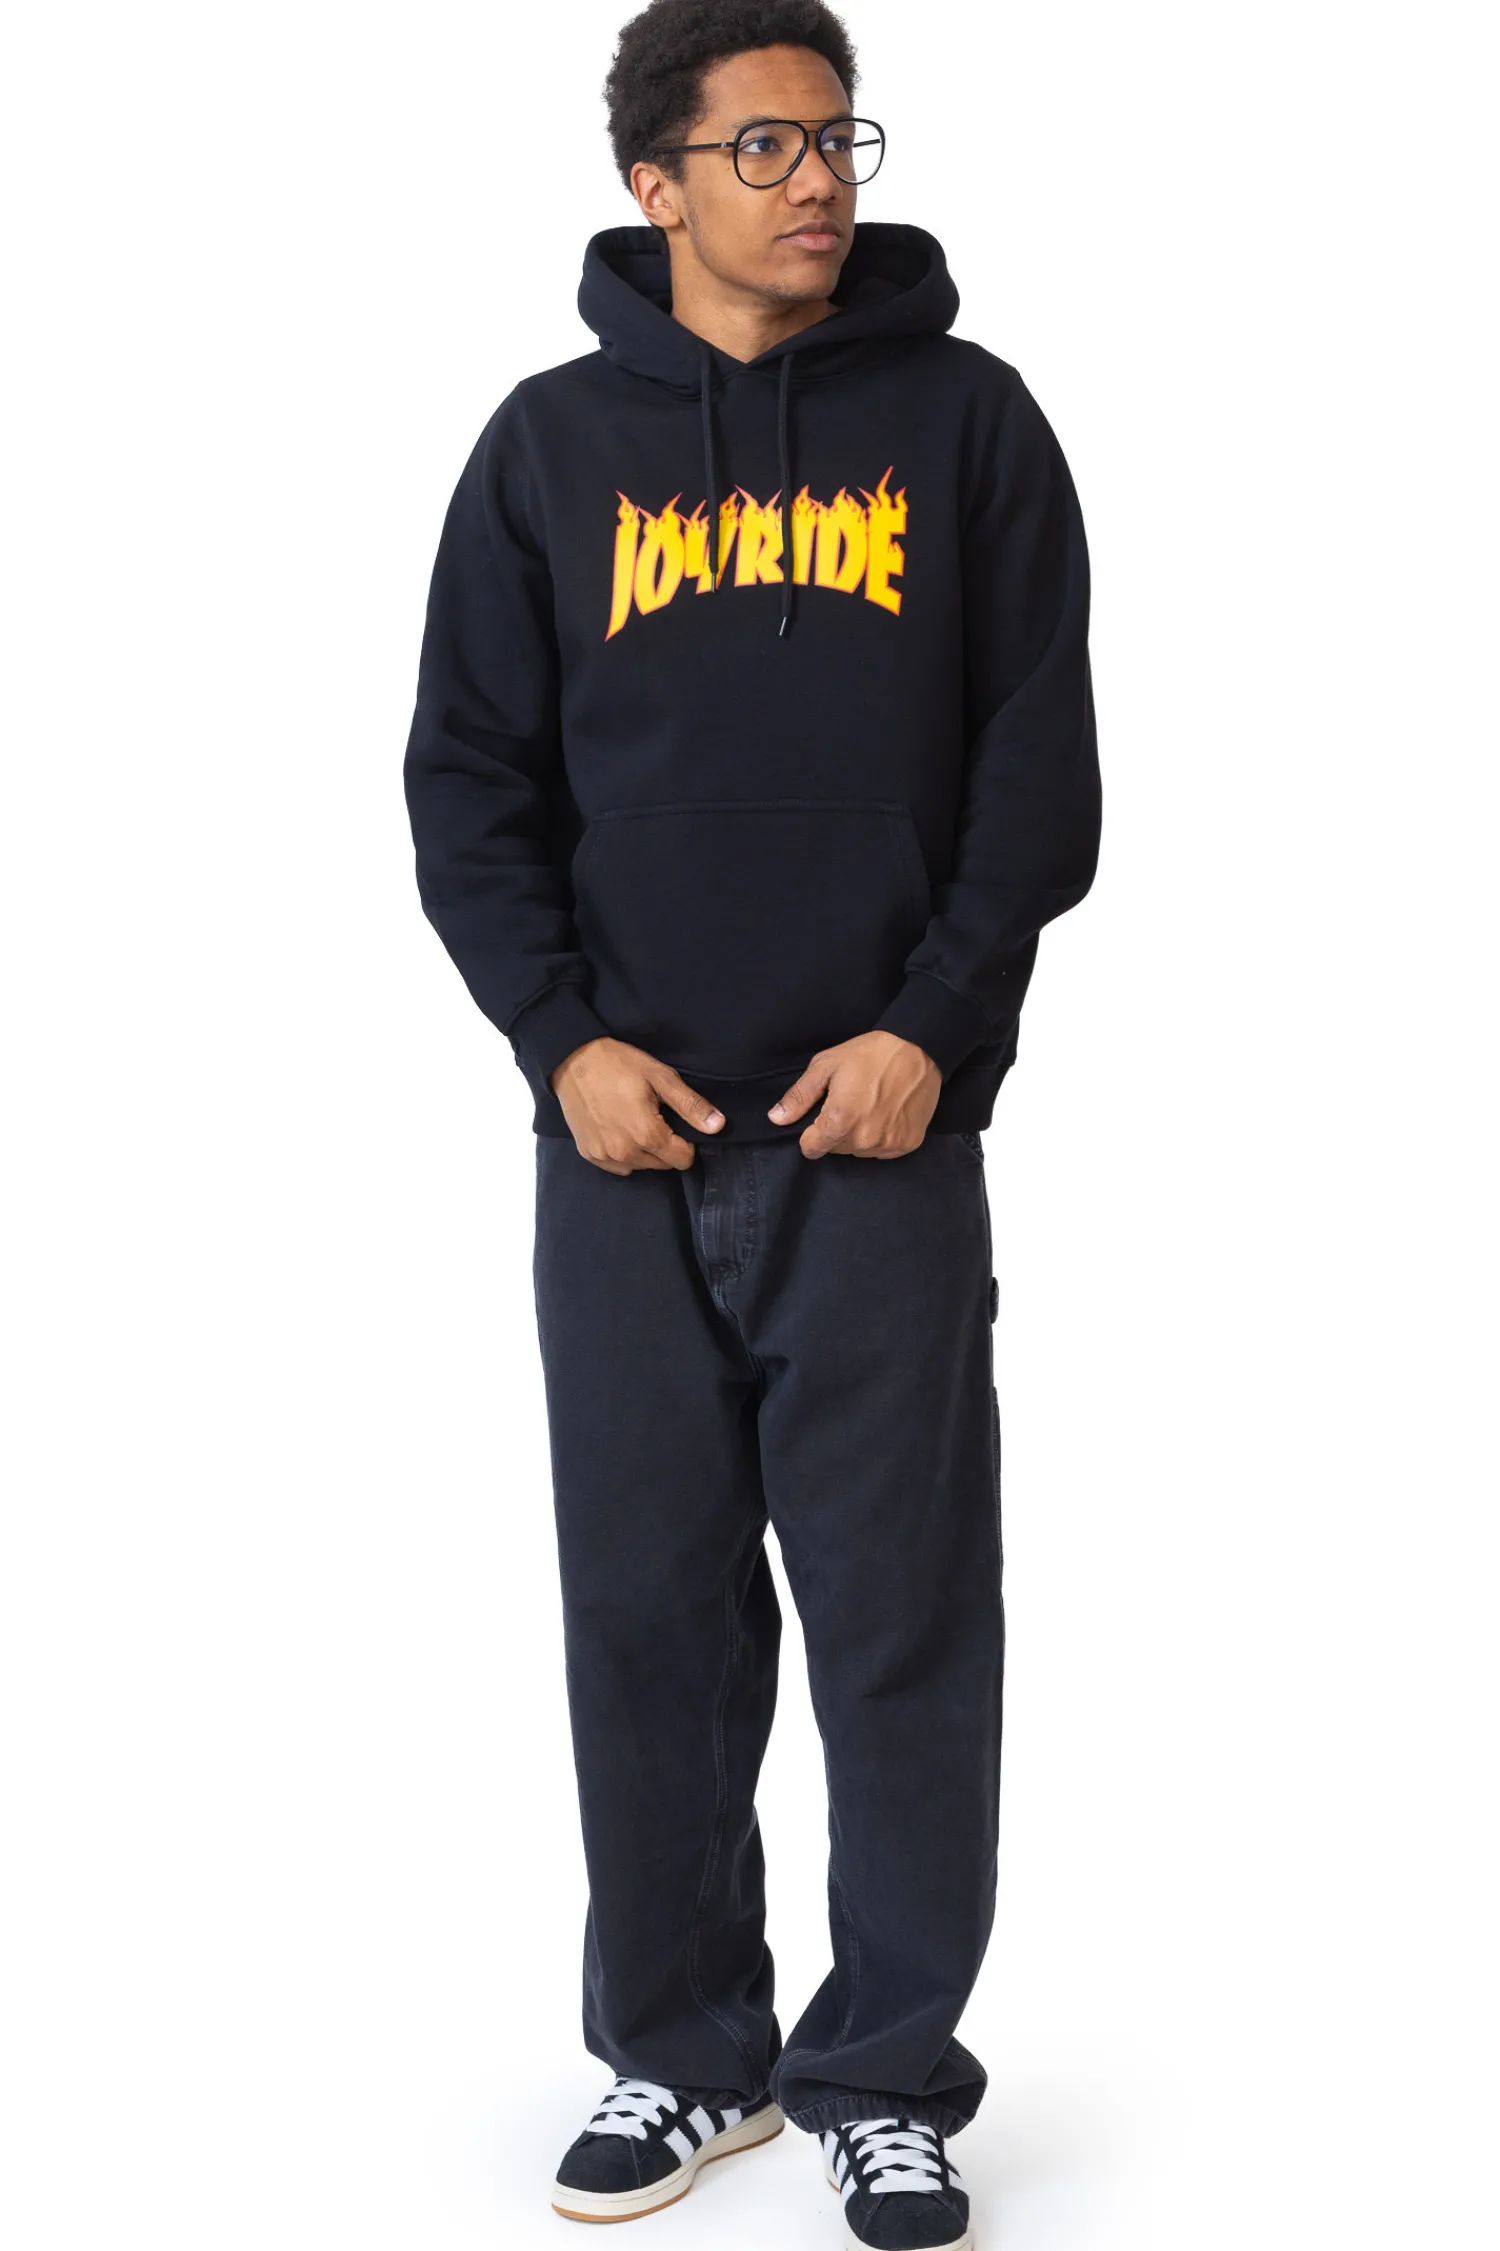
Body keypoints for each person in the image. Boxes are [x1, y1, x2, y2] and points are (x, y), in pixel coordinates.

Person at [402, 2, 1100, 2241]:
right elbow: (469, 785)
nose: (819, 182)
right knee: (647, 1623)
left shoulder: (971, 427)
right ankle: (683, 2055)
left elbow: (1038, 780)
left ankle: (883, 2071)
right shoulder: (547, 450)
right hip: (625, 1145)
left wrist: (933, 1031)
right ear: (656, 181)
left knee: (903, 1627)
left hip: (880, 1139)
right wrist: (559, 1042)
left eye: (839, 139)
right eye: (768, 146)